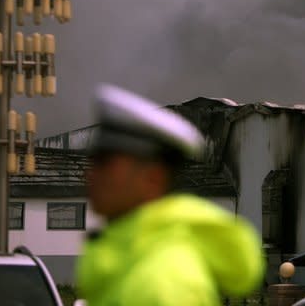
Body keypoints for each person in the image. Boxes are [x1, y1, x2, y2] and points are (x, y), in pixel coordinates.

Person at [75, 84, 264, 306]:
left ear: (152, 179)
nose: (90, 175)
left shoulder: (163, 283)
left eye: (105, 164)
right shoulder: (133, 260)